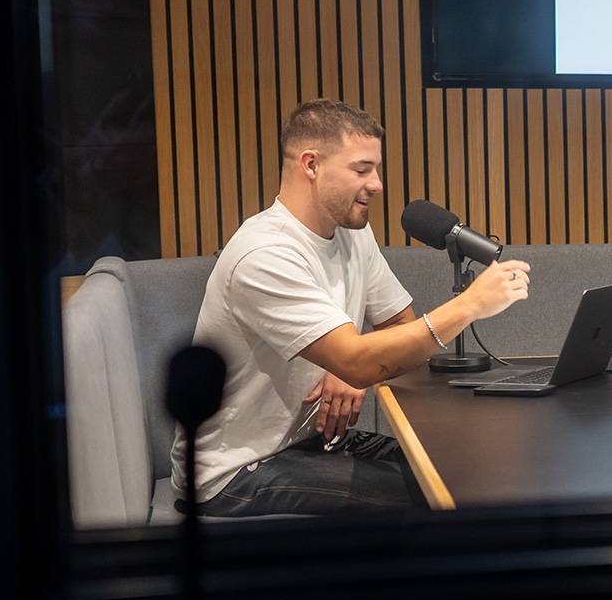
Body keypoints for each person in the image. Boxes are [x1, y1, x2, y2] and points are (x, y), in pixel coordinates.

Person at [174, 99, 532, 515]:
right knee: (438, 499)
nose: (377, 184)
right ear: (311, 165)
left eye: (376, 169)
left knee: (457, 466)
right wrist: (469, 305)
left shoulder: (350, 232)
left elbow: (399, 325)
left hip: (311, 444)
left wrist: (352, 371)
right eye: (362, 170)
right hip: (233, 473)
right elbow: (361, 359)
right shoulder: (265, 254)